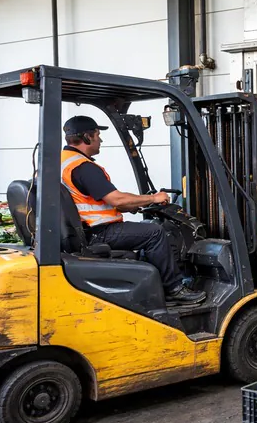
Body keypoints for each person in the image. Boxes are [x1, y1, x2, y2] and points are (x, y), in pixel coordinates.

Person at [60, 115, 206, 305]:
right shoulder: (83, 167)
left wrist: (135, 205)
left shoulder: (64, 161)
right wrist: (153, 198)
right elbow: (117, 199)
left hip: (83, 230)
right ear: (87, 137)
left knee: (145, 227)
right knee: (154, 232)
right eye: (97, 135)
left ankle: (156, 281)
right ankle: (174, 288)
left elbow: (92, 201)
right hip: (97, 233)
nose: (100, 139)